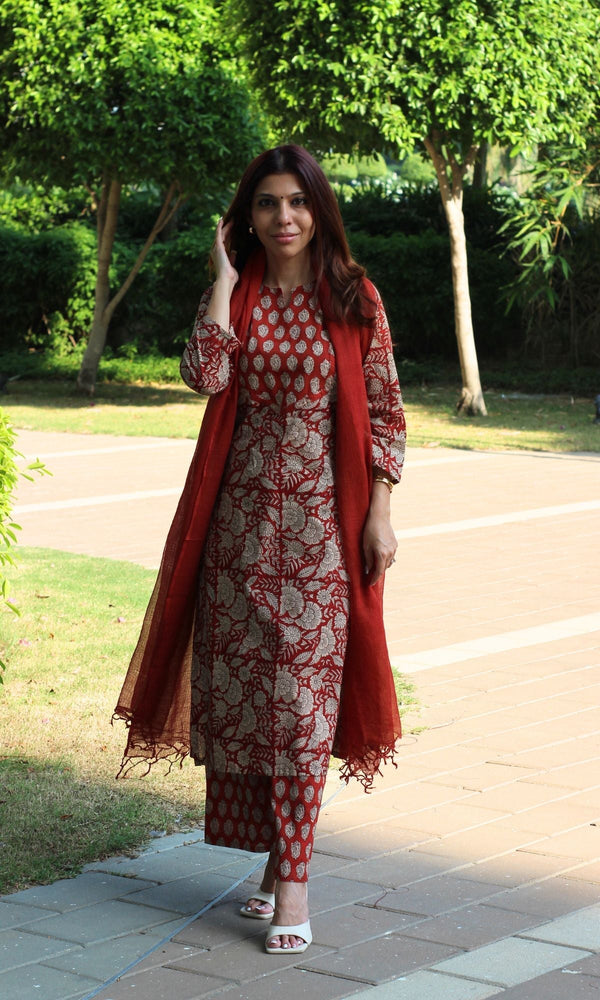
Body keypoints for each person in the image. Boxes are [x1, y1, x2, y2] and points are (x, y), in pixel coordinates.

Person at [114, 144, 406, 955]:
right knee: (251, 697)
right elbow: (202, 376)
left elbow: (385, 411)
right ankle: (278, 855)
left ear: (319, 210)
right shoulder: (237, 298)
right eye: (269, 204)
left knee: (304, 707)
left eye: (298, 202)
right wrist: (222, 277)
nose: (285, 218)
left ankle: (297, 882)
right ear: (249, 215)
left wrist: (380, 512)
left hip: (323, 529)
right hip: (237, 530)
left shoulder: (353, 297)